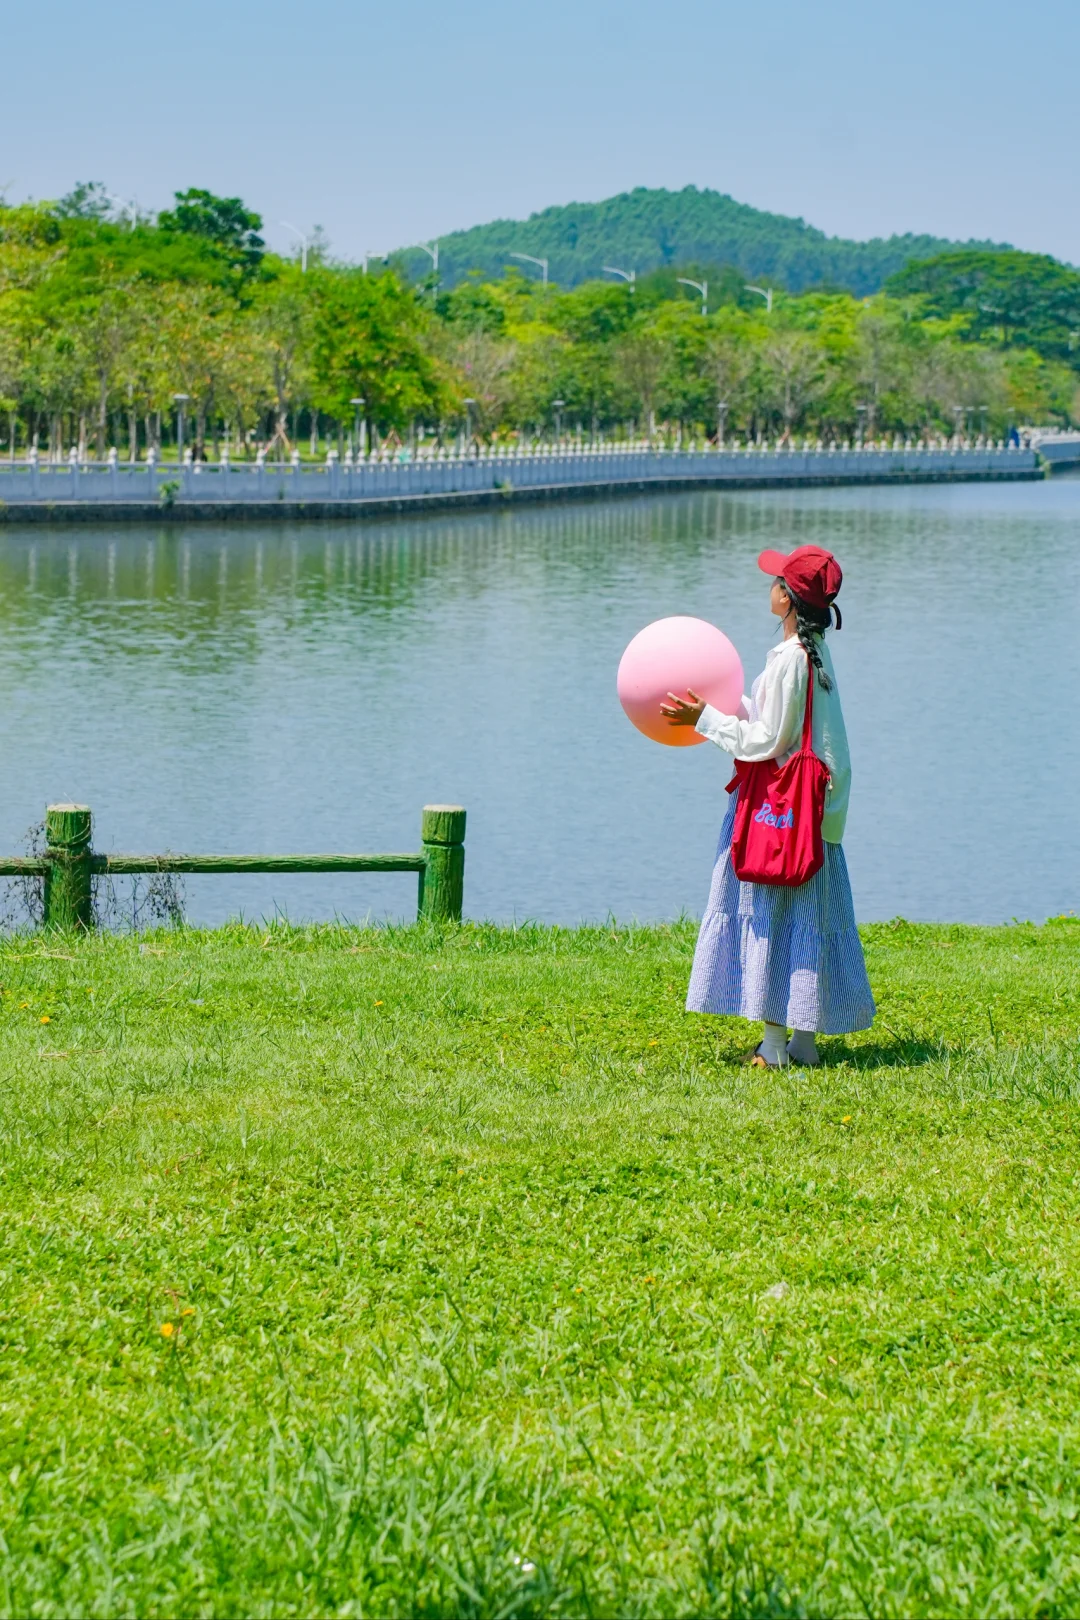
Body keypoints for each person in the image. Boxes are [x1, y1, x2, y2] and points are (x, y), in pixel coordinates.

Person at [661, 545, 874, 1067]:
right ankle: (803, 1043)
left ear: (788, 599)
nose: (770, 587)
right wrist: (729, 704)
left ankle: (774, 1047)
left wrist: (706, 719)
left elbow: (768, 740)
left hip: (781, 812)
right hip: (817, 808)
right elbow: (786, 724)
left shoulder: (791, 658)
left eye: (777, 581)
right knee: (807, 920)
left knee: (773, 919)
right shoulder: (814, 651)